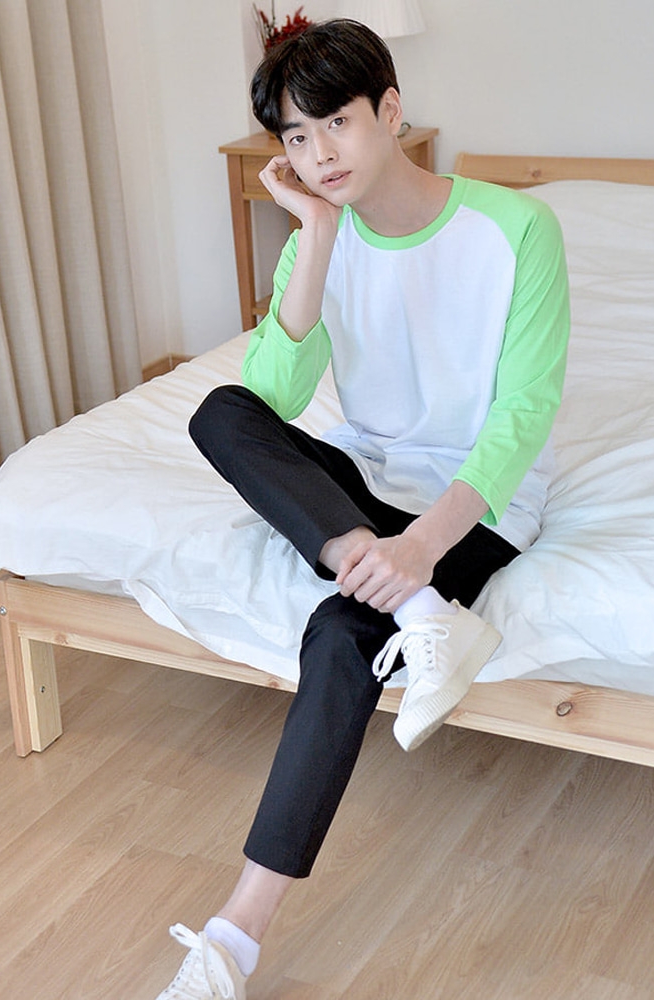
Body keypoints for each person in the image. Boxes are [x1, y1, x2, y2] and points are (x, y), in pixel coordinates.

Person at [156, 19, 569, 1000]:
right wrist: (315, 235)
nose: (319, 155)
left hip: (479, 503)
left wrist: (423, 547)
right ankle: (424, 616)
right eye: (296, 138)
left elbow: (522, 416)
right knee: (219, 412)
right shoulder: (324, 233)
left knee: (342, 632)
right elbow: (271, 393)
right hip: (368, 482)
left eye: (335, 123)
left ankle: (233, 939)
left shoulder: (517, 229)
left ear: (390, 109)